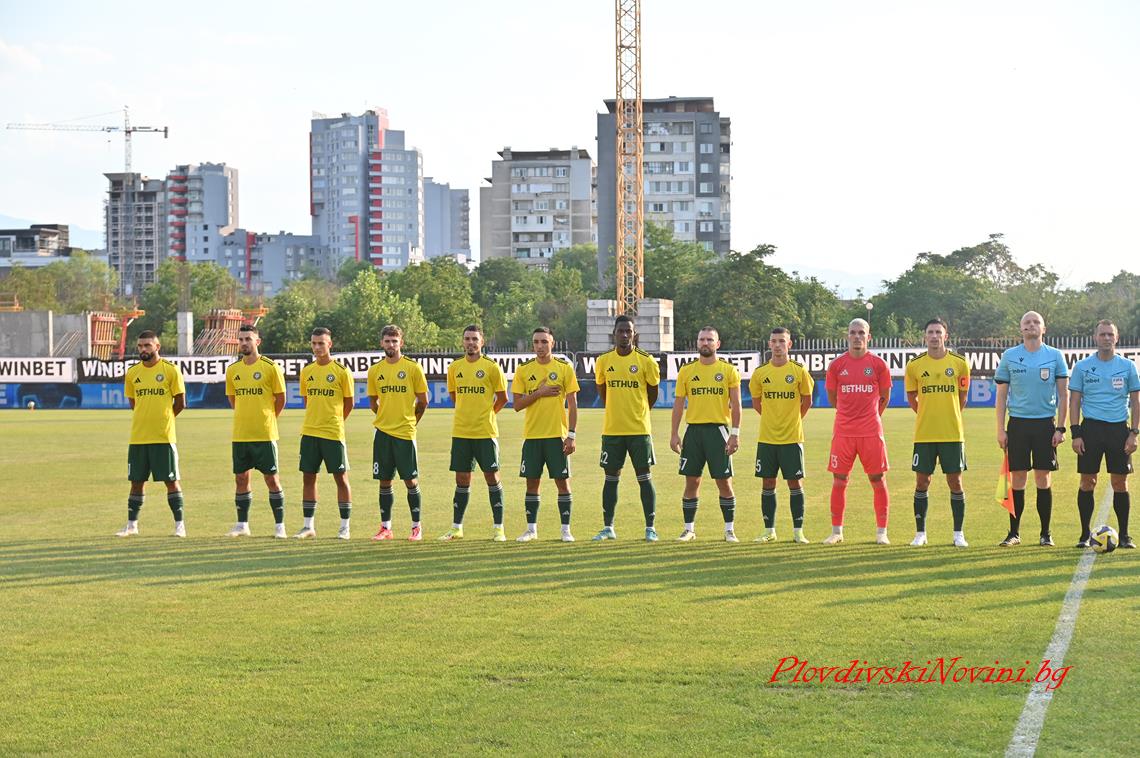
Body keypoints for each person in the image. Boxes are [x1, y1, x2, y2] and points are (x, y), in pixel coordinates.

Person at [995, 311, 1069, 547]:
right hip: (1017, 424)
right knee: (1017, 478)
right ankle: (1014, 533)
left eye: (1036, 322)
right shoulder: (1010, 356)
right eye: (1027, 322)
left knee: (1043, 477)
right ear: (1021, 329)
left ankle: (1045, 533)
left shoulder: (1055, 356)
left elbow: (1064, 394)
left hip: (1045, 424)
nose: (1031, 325)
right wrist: (1000, 429)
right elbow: (1001, 395)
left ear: (1044, 329)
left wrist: (1061, 428)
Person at [1068, 319, 1139, 549]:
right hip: (1090, 430)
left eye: (1110, 334)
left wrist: (1134, 433)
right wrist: (1076, 433)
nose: (1106, 338)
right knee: (1088, 481)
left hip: (1119, 430)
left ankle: (1126, 536)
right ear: (1095, 338)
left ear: (1117, 338)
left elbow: (1136, 402)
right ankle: (1083, 534)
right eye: (1102, 334)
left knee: (1120, 482)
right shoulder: (1082, 367)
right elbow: (1075, 401)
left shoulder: (1128, 367)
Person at [592, 315, 662, 541]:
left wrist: (638, 412)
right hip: (612, 430)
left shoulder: (646, 360)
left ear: (634, 334)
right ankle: (608, 528)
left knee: (644, 477)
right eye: (620, 331)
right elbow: (602, 390)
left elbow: (653, 393)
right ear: (614, 333)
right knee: (610, 477)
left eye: (628, 331)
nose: (624, 335)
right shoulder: (604, 361)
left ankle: (650, 527)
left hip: (640, 430)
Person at [823, 318, 892, 544]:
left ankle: (882, 533)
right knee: (839, 479)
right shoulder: (836, 365)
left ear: (868, 337)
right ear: (847, 336)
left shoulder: (879, 365)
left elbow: (884, 397)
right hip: (843, 431)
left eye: (861, 333)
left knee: (877, 478)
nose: (857, 337)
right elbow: (833, 399)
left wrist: (869, 417)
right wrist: (850, 416)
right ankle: (836, 532)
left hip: (871, 432)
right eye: (853, 332)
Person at [903, 318, 971, 548]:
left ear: (946, 336)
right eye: (930, 332)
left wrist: (950, 415)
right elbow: (912, 397)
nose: (934, 336)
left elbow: (963, 396)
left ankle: (958, 534)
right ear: (925, 336)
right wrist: (926, 415)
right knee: (922, 481)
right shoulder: (914, 365)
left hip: (952, 434)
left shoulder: (960, 363)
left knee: (956, 482)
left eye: (938, 332)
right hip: (924, 434)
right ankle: (920, 533)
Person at [671, 327, 742, 542]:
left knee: (724, 481)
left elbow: (737, 405)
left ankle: (729, 530)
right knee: (691, 481)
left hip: (718, 431)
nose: (705, 343)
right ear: (697, 342)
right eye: (702, 339)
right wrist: (674, 434)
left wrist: (735, 434)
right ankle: (689, 529)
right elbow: (678, 404)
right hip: (693, 431)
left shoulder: (728, 371)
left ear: (717, 344)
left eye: (710, 340)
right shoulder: (686, 371)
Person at [439, 324, 509, 542]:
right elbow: (454, 395)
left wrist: (487, 414)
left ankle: (499, 529)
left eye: (474, 339)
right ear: (463, 342)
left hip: (485, 432)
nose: (470, 343)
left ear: (482, 342)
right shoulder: (454, 368)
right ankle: (456, 527)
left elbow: (503, 398)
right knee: (462, 478)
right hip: (461, 432)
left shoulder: (491, 367)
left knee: (492, 477)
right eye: (467, 339)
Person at [116, 331, 188, 537]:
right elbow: (134, 403)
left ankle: (179, 525)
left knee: (171, 481)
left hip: (163, 438)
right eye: (140, 346)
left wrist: (165, 419)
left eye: (147, 345)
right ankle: (131, 525)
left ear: (157, 347)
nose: (143, 349)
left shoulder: (170, 370)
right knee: (136, 481)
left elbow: (181, 402)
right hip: (138, 437)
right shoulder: (133, 373)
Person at [511, 327, 579, 542]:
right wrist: (539, 393)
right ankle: (531, 530)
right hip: (532, 436)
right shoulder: (524, 370)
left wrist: (572, 435)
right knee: (532, 483)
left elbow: (573, 405)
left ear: (553, 343)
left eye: (544, 342)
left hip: (556, 436)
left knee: (562, 482)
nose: (540, 346)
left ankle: (566, 530)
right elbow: (517, 405)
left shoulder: (563, 369)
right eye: (536, 342)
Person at [749, 327, 813, 543]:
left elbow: (807, 401)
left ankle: (798, 531)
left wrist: (792, 420)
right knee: (768, 483)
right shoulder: (760, 373)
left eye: (782, 341)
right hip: (767, 439)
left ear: (789, 344)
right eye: (774, 341)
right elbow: (758, 405)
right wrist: (773, 420)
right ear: (769, 344)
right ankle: (769, 530)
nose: (778, 345)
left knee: (795, 483)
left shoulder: (799, 371)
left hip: (792, 438)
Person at [366, 325, 429, 542]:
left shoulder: (413, 368)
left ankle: (416, 527)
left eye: (394, 341)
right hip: (382, 433)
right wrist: (384, 416)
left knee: (410, 481)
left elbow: (423, 402)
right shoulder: (375, 370)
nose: (391, 345)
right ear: (381, 343)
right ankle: (386, 528)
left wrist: (411, 421)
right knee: (384, 481)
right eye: (387, 341)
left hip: (404, 433)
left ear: (401, 343)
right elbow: (373, 402)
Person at [224, 324, 287, 538]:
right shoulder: (233, 370)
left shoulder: (270, 367)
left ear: (257, 342)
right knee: (241, 478)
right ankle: (242, 525)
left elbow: (280, 399)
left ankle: (280, 526)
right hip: (241, 434)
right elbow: (233, 400)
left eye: (248, 339)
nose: (243, 343)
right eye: (240, 340)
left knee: (271, 479)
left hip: (265, 434)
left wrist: (268, 418)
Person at [294, 327, 354, 540]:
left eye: (321, 343)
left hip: (333, 434)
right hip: (309, 432)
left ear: (330, 344)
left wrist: (335, 421)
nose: (317, 347)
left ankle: (344, 527)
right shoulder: (307, 371)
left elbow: (349, 403)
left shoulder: (341, 371)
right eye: (314, 343)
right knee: (308, 478)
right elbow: (306, 400)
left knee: (341, 478)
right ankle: (308, 526)